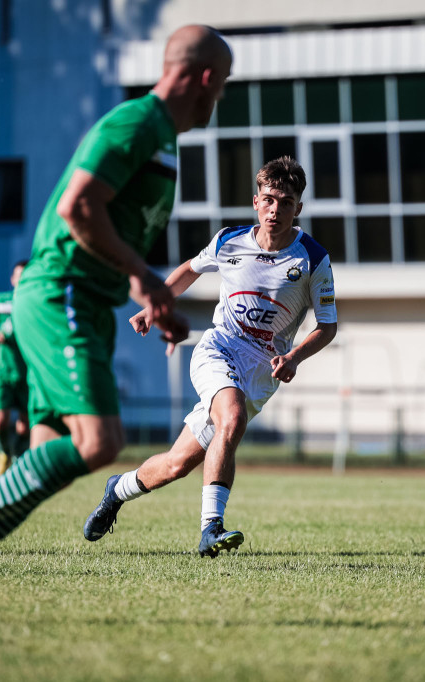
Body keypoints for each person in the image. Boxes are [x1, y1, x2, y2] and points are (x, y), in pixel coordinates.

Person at [0, 24, 232, 621]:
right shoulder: (135, 124)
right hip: (61, 296)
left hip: (86, 302)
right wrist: (149, 278)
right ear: (204, 78)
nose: (222, 98)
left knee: (47, 457)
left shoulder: (162, 141)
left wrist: (144, 290)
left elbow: (112, 229)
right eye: (223, 85)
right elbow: (76, 208)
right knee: (100, 441)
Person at [82, 156, 337, 556]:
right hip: (218, 349)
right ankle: (211, 528)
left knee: (176, 464)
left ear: (298, 208)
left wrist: (295, 358)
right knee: (231, 417)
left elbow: (328, 325)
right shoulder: (228, 241)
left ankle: (118, 490)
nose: (276, 210)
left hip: (262, 371)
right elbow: (189, 269)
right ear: (256, 202)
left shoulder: (313, 259)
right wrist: (154, 308)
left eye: (286, 202)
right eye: (269, 200)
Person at [0, 260, 30, 477]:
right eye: (18, 276)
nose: (21, 280)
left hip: (28, 373)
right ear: (12, 279)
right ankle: (4, 452)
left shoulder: (35, 303)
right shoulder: (1, 301)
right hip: (2, 372)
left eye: (25, 276)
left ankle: (19, 461)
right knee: (0, 420)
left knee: (25, 426)